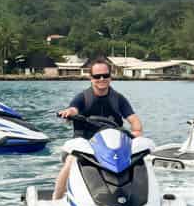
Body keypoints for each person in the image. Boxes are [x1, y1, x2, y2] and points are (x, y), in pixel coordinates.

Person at [53, 58, 143, 198]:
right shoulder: (82, 97)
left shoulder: (118, 98)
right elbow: (74, 109)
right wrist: (69, 112)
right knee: (71, 159)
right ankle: (56, 199)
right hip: (85, 143)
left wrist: (137, 133)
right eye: (97, 76)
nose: (101, 79)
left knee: (140, 158)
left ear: (110, 77)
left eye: (105, 75)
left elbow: (134, 119)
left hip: (112, 145)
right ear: (91, 78)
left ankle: (139, 198)